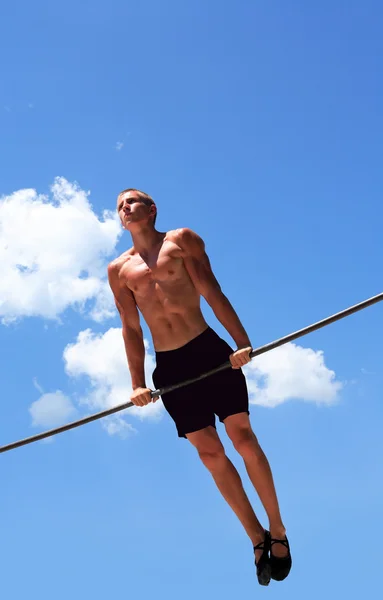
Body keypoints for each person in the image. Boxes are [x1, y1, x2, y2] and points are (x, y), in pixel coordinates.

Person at [108, 188, 292, 585]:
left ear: (152, 209)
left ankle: (278, 530)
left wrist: (242, 342)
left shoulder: (182, 240)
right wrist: (137, 383)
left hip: (208, 349)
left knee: (242, 437)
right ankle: (256, 539)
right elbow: (131, 328)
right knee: (210, 454)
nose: (125, 208)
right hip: (170, 367)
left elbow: (212, 291)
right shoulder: (118, 270)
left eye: (133, 201)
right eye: (120, 205)